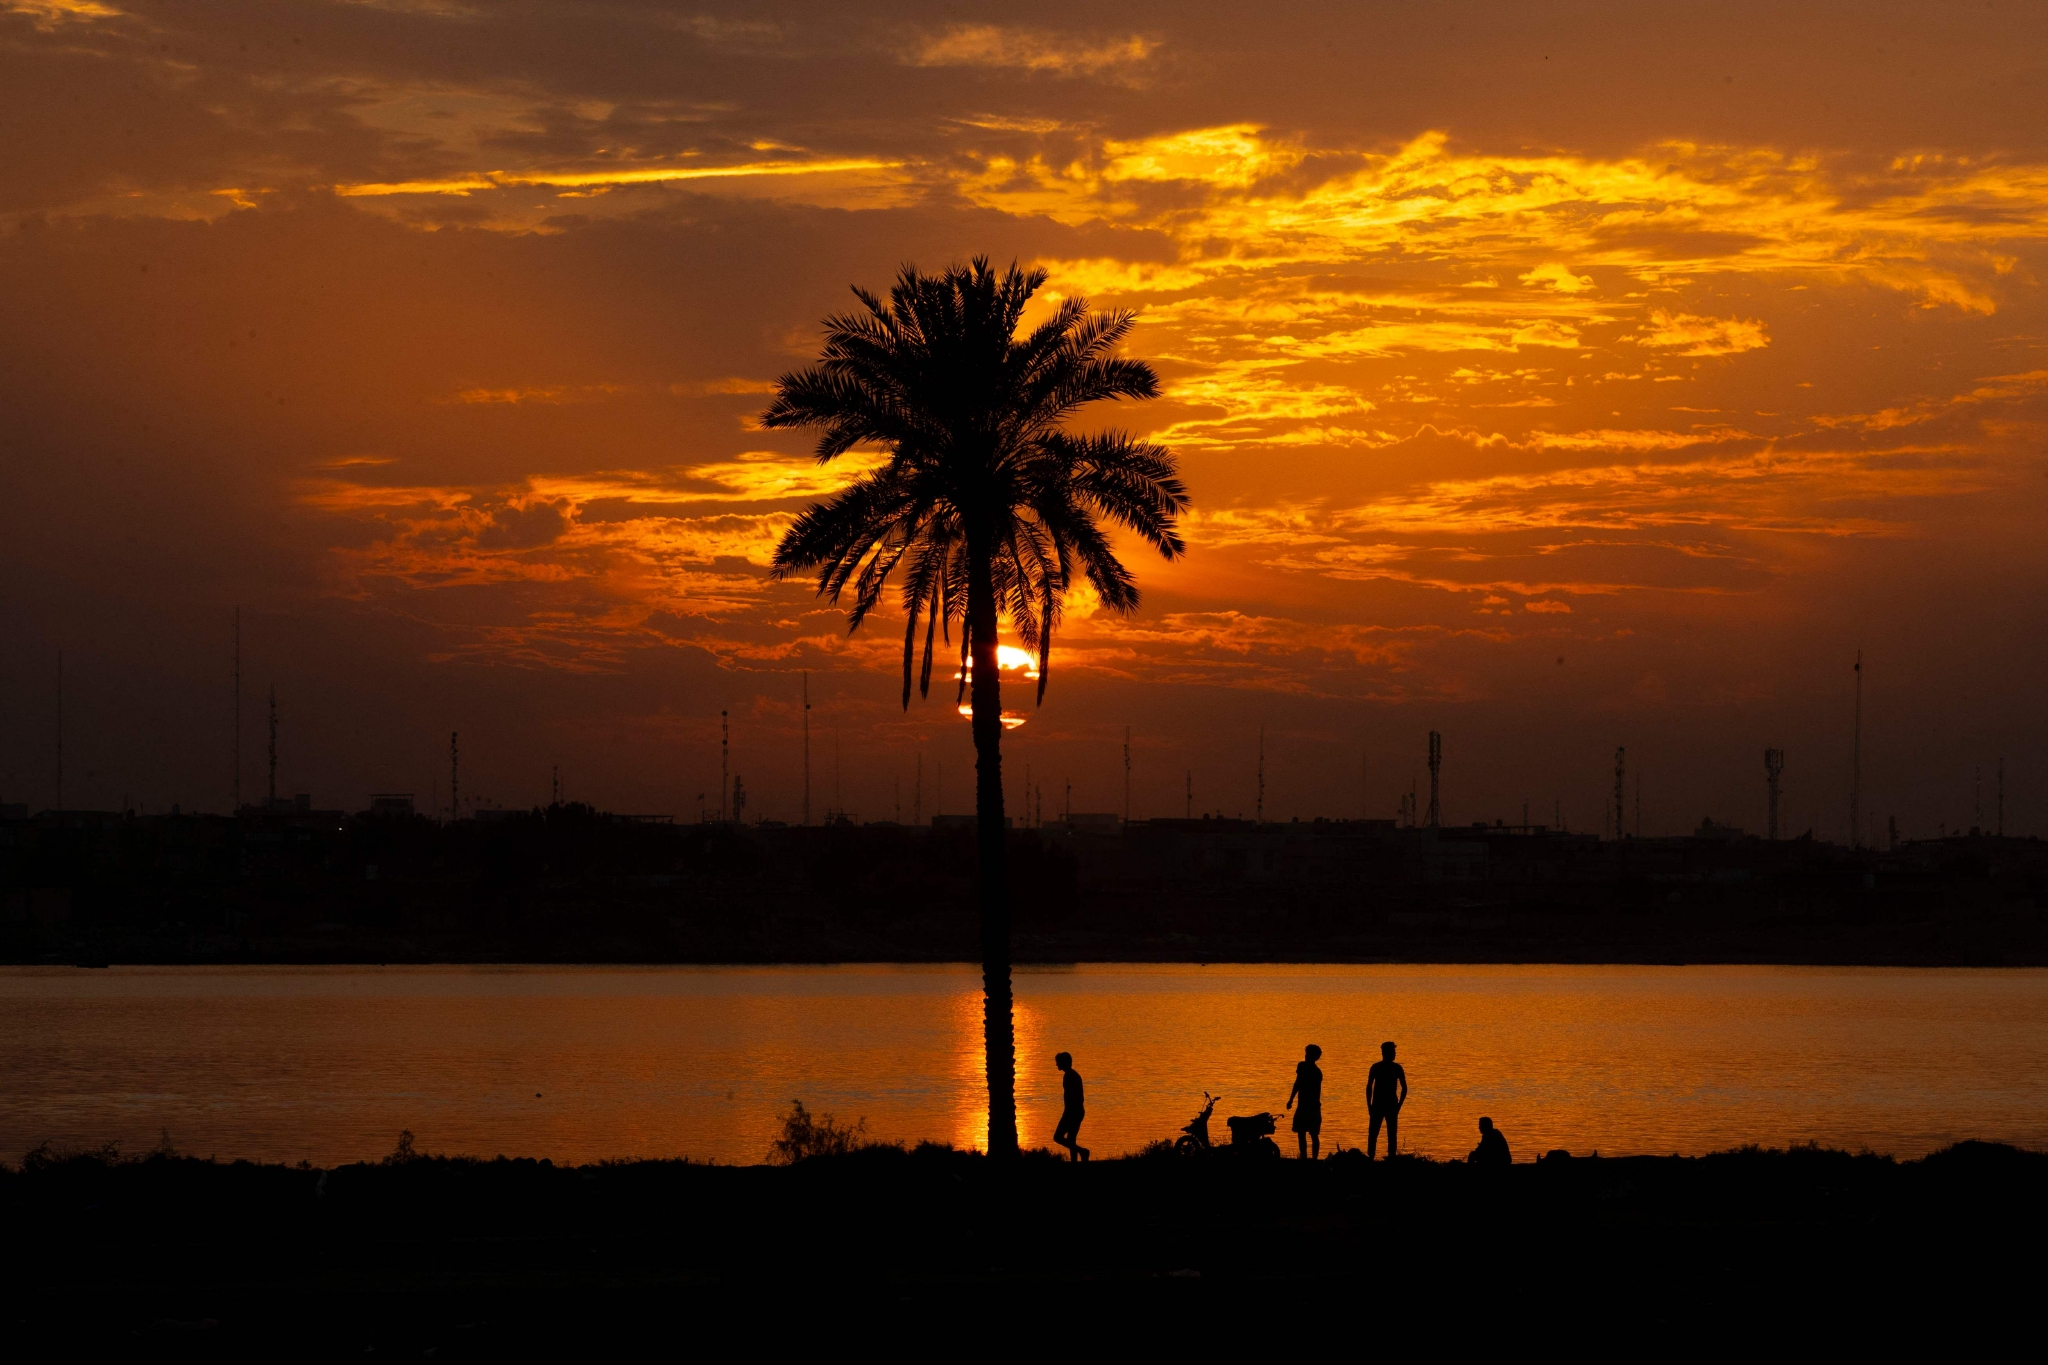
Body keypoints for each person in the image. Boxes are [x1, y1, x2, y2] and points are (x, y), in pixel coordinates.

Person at [1366, 1041, 1407, 1159]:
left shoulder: (1382, 1067)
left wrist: (1399, 1105)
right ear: (1385, 1053)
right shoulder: (1380, 1067)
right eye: (1393, 1052)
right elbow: (1369, 1087)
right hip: (1383, 1104)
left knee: (1386, 1134)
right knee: (1378, 1133)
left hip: (1386, 1104)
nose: (1395, 1054)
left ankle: (1380, 1157)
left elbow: (1404, 1088)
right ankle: (1375, 1157)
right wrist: (1369, 1105)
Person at [1286, 1044, 1324, 1160]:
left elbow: (1298, 1083)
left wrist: (1291, 1099)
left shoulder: (1310, 1070)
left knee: (1310, 1134)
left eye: (1308, 1054)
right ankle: (1306, 1157)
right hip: (1306, 1106)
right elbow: (1298, 1083)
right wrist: (1291, 1099)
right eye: (1306, 1053)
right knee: (1304, 1133)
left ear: (1313, 1057)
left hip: (1310, 1107)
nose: (1306, 1056)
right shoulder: (1310, 1069)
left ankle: (1311, 1158)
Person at [1053, 1052, 1089, 1162]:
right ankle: (1075, 1160)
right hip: (1077, 1111)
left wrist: (1068, 1112)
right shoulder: (1072, 1075)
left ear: (1064, 1062)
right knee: (1071, 1139)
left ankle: (1082, 1151)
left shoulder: (1069, 1076)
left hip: (1072, 1112)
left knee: (1058, 1137)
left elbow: (1072, 1097)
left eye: (1058, 1062)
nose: (1056, 1064)